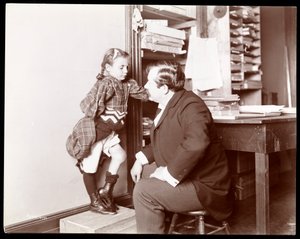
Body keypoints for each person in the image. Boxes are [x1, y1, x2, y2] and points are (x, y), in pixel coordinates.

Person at [130, 60, 233, 233]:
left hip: (206, 188)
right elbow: (165, 138)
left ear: (163, 88)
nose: (145, 85)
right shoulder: (168, 103)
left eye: (149, 81)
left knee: (143, 191)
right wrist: (140, 160)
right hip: (190, 179)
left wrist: (168, 172)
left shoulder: (192, 106)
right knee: (144, 174)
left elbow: (196, 143)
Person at [66, 48, 148, 215]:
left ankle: (106, 190)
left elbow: (143, 94)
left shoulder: (126, 84)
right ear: (108, 68)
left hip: (109, 133)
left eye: (127, 67)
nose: (126, 70)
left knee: (120, 156)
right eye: (121, 67)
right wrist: (100, 100)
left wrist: (160, 90)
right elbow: (87, 106)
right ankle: (94, 201)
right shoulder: (106, 83)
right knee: (90, 168)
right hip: (96, 134)